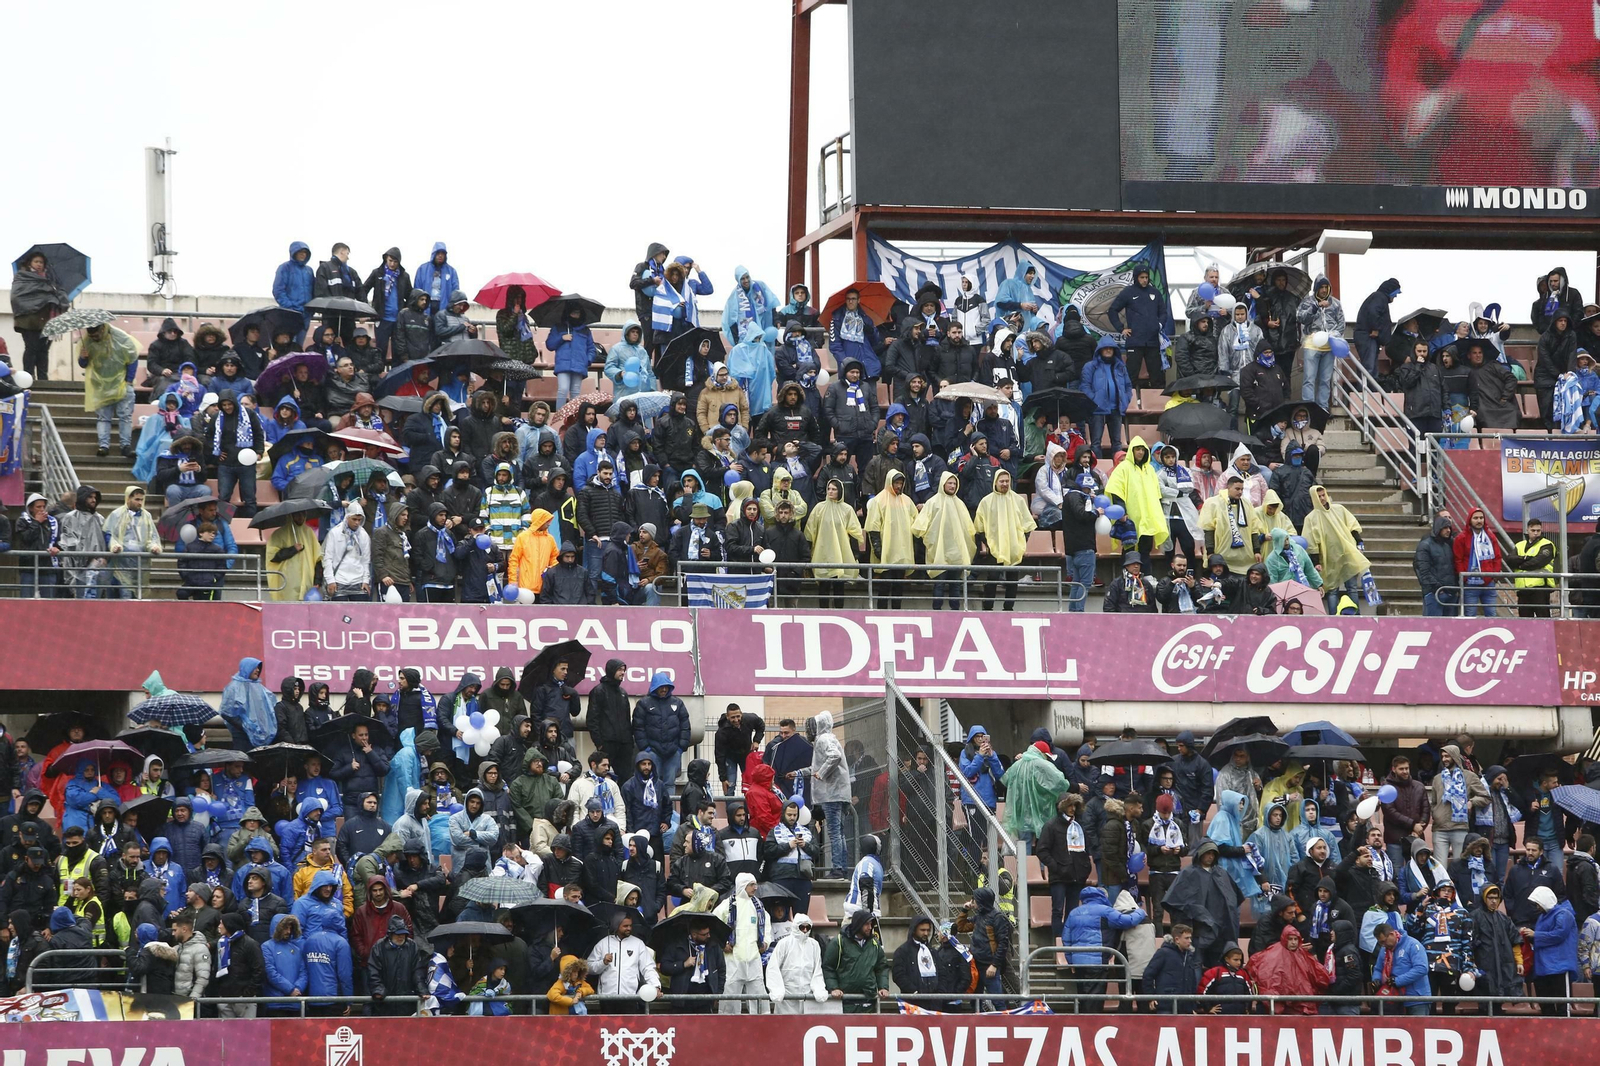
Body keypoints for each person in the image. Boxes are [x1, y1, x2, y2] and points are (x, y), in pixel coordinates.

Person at [80, 322, 141, 458]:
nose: (94, 338)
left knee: (125, 416)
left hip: (121, 383)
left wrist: (128, 381)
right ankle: (103, 446)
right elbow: (84, 364)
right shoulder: (87, 342)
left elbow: (132, 357)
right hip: (101, 384)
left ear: (102, 329)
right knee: (103, 418)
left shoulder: (120, 338)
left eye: (96, 335)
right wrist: (83, 357)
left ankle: (125, 446)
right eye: (92, 336)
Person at [1108, 264, 1166, 388]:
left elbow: (1163, 313)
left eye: (1146, 277)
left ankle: (1158, 405)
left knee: (1157, 377)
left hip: (1153, 342)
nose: (1145, 280)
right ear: (1136, 277)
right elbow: (1112, 310)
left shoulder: (1155, 292)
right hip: (1134, 341)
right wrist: (1121, 328)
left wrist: (1159, 325)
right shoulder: (1128, 292)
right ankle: (1129, 404)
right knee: (1131, 376)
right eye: (1142, 277)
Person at [1511, 519, 1556, 618]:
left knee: (1543, 619)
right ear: (1527, 530)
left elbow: (1538, 562)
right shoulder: (1519, 545)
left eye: (1538, 530)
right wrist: (1526, 558)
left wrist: (1520, 565)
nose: (1536, 533)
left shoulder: (1547, 544)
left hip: (1540, 588)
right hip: (1523, 589)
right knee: (1525, 621)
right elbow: (1510, 560)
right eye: (1533, 530)